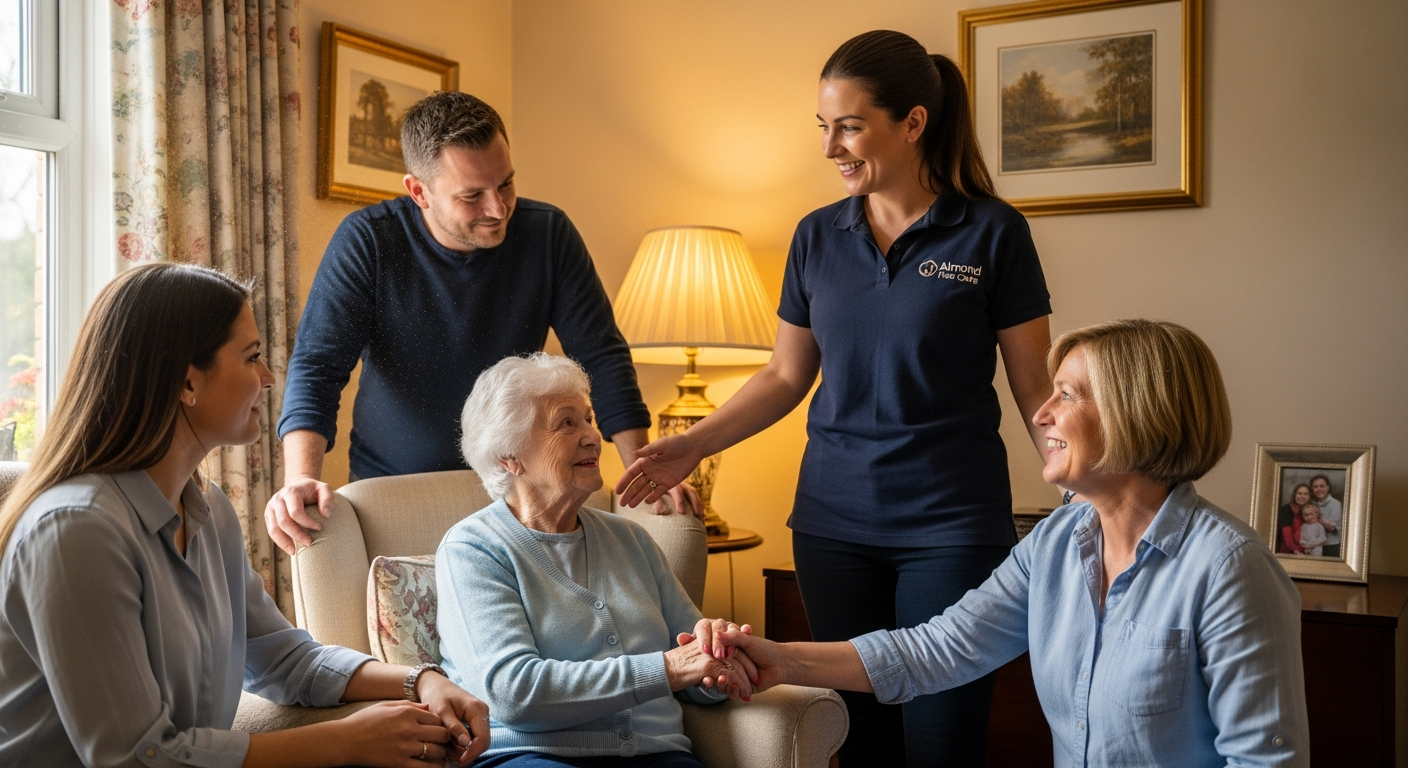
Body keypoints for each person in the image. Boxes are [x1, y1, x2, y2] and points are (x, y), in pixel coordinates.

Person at [615, 30, 1053, 766]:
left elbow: (1037, 387)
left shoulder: (992, 233)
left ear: (912, 122)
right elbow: (786, 377)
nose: (831, 148)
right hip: (834, 528)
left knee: (943, 744)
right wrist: (692, 445)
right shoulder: (817, 237)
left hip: (952, 527)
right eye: (824, 127)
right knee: (861, 743)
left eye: (849, 126)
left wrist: (1091, 494)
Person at [699, 319, 1311, 767]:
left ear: (1136, 411)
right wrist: (780, 659)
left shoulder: (1229, 569)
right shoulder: (1055, 544)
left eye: (1067, 394)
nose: (1041, 414)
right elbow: (933, 651)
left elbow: (1267, 762)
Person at [0, 263, 492, 767]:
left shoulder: (209, 509)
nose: (268, 377)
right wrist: (346, 741)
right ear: (187, 382)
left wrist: (422, 679)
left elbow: (285, 659)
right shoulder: (76, 532)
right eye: (252, 357)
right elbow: (131, 757)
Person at [266, 91, 698, 556]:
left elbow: (601, 354)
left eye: (506, 184)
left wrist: (641, 467)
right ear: (419, 192)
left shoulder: (547, 234)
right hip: (395, 494)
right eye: (472, 196)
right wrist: (300, 479)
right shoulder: (369, 241)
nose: (498, 208)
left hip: (519, 490)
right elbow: (318, 365)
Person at [436, 354, 752, 768]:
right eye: (567, 423)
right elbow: (512, 693)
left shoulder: (631, 539)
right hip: (531, 756)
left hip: (658, 754)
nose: (592, 437)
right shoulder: (474, 549)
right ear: (509, 456)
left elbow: (693, 667)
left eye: (589, 419)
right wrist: (670, 669)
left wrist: (719, 662)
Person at [1309, 474, 1343, 557]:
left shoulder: (1336, 504)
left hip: (1331, 546)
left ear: (1327, 487)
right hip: (1313, 546)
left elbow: (1331, 528)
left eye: (1322, 486)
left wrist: (1318, 521)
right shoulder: (1310, 503)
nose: (1319, 489)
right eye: (1315, 487)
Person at [1278, 483, 1312, 554]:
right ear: (1295, 495)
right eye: (1299, 493)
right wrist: (1296, 549)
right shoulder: (1287, 509)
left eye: (1306, 494)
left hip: (1307, 550)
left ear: (1310, 496)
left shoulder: (1312, 510)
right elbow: (1286, 534)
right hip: (1289, 551)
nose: (1302, 496)